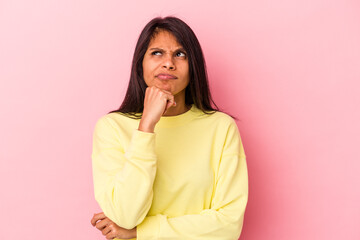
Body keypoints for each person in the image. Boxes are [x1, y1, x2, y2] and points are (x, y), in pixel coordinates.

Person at [90, 16, 248, 240]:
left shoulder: (221, 128)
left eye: (180, 54)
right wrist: (146, 127)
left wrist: (139, 232)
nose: (168, 63)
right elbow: (125, 215)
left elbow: (229, 225)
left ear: (193, 67)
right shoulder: (112, 128)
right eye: (156, 53)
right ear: (140, 63)